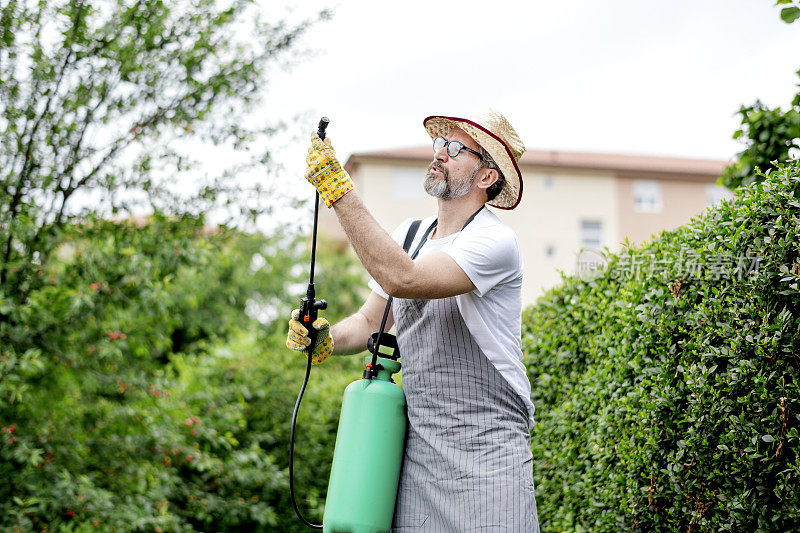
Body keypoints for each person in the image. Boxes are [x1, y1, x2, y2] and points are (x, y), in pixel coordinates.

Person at [286, 110, 539, 532]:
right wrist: (324, 337)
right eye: (440, 143)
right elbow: (371, 320)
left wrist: (339, 192)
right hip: (419, 457)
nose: (440, 152)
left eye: (456, 148)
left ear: (485, 178)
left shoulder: (495, 242)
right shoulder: (410, 235)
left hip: (489, 454)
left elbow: (403, 278)